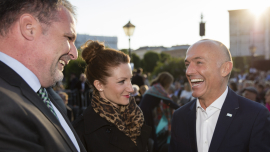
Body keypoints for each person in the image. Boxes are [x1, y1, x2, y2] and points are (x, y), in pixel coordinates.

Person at [0, 0, 87, 151]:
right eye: (68, 37)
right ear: (29, 28)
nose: (74, 53)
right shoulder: (4, 107)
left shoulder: (50, 97)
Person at [169, 39, 270, 152]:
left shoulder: (255, 116)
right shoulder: (179, 116)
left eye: (199, 62)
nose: (188, 71)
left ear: (225, 68)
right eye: (187, 64)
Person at [72, 40, 151, 152]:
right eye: (121, 81)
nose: (130, 88)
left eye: (130, 79)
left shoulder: (136, 116)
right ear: (99, 85)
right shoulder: (82, 131)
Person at [139, 72, 179, 152]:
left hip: (144, 111)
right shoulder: (158, 88)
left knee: (149, 133)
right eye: (170, 82)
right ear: (167, 82)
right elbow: (168, 102)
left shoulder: (156, 86)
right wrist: (182, 109)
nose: (170, 85)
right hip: (146, 113)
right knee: (150, 133)